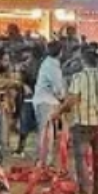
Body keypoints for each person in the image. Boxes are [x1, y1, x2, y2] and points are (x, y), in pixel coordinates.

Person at [66, 49, 98, 194]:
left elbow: (72, 99)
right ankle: (97, 192)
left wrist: (60, 111)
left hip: (82, 122)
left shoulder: (78, 78)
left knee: (80, 158)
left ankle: (83, 192)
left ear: (83, 62)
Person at [32, 41, 66, 170]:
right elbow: (58, 89)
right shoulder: (52, 66)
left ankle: (45, 161)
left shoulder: (48, 63)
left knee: (48, 133)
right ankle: (42, 162)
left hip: (44, 101)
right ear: (60, 52)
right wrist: (64, 99)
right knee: (45, 133)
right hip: (46, 102)